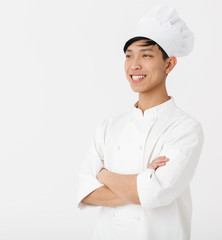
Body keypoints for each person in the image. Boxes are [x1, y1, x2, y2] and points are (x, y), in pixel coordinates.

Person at [77, 5, 204, 240]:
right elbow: (85, 193)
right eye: (129, 55)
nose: (134, 65)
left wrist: (103, 175)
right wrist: (142, 181)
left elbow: (155, 194)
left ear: (169, 64)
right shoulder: (108, 126)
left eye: (146, 55)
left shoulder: (186, 128)